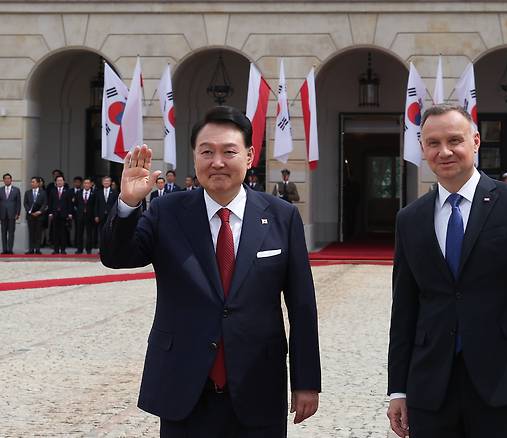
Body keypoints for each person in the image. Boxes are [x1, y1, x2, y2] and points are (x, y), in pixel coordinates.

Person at [100, 106, 321, 437]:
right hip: (185, 387)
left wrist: (306, 382)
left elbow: (302, 306)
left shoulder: (281, 216)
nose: (217, 161)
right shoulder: (166, 211)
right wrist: (128, 205)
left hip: (257, 385)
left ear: (249, 156)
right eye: (207, 152)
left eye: (228, 152)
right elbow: (118, 256)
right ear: (194, 157)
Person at [387, 104, 507, 438]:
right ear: (422, 148)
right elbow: (404, 308)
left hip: (503, 378)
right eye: (433, 143)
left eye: (454, 140)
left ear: (476, 142)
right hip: (432, 382)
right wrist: (398, 390)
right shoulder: (410, 219)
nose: (444, 151)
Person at [48, 175, 72, 254]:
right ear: (55, 182)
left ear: (64, 182)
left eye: (61, 180)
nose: (59, 182)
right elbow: (50, 203)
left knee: (63, 233)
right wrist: (50, 213)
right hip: (55, 214)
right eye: (58, 181)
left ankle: (63, 249)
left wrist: (69, 213)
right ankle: (56, 250)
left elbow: (69, 203)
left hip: (64, 214)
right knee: (55, 233)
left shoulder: (67, 191)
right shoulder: (52, 191)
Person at [24, 176, 47, 254]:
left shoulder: (43, 192)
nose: (32, 183)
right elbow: (25, 203)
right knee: (31, 233)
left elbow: (44, 204)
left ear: (38, 183)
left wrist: (39, 211)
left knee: (38, 233)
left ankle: (37, 249)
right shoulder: (27, 192)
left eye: (33, 182)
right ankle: (31, 249)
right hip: (30, 216)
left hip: (39, 216)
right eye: (31, 182)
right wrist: (30, 211)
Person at [74, 178, 97, 254]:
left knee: (89, 233)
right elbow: (76, 203)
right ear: (83, 184)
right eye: (85, 183)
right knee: (79, 233)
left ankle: (88, 249)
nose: (86, 185)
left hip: (90, 216)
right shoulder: (78, 193)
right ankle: (79, 249)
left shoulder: (94, 193)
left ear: (91, 184)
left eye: (88, 183)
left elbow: (95, 205)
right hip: (80, 215)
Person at [0, 173, 21, 254]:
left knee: (11, 233)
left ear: (11, 180)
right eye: (5, 178)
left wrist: (18, 213)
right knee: (3, 233)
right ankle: (4, 250)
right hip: (2, 214)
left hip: (12, 215)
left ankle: (10, 250)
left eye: (8, 178)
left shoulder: (16, 190)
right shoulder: (0, 189)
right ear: (3, 180)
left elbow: (18, 203)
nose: (7, 180)